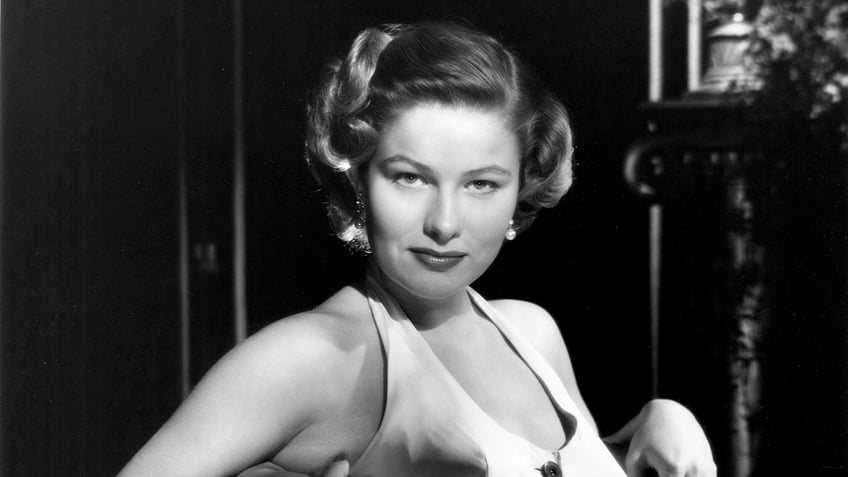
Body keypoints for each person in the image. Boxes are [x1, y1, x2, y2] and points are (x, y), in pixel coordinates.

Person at [118, 21, 716, 477]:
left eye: (482, 184)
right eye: (410, 177)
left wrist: (655, 421)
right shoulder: (314, 356)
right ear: (357, 177)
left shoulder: (532, 333)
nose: (445, 223)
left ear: (522, 188)